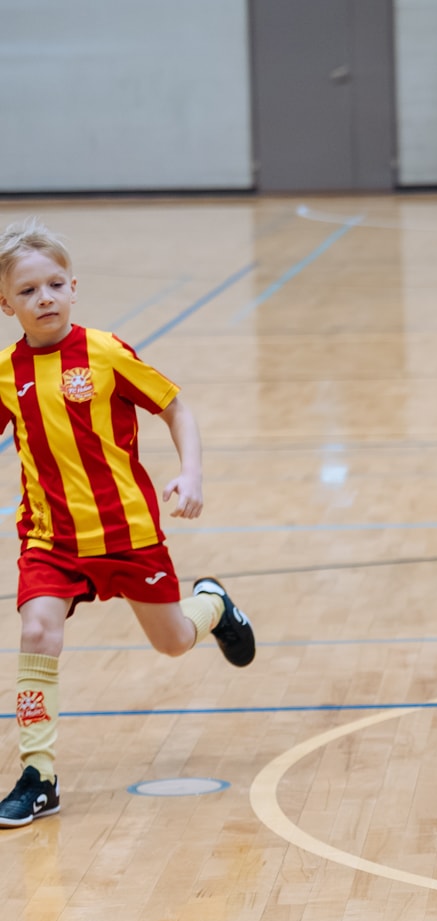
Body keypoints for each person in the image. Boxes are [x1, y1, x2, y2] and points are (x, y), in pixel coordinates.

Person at [0, 219, 255, 829]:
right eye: (28, 291)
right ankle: (39, 777)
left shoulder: (106, 352)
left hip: (129, 536)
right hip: (51, 540)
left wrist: (190, 474)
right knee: (37, 631)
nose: (44, 299)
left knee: (173, 642)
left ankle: (213, 605)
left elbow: (175, 407)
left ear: (74, 287)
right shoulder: (6, 373)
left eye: (55, 285)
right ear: (6, 304)